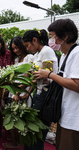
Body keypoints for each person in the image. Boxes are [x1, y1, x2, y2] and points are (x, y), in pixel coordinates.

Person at [34, 19, 79, 150]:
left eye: (52, 36)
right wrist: (49, 79)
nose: (51, 40)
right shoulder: (65, 54)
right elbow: (64, 80)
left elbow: (77, 85)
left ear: (64, 37)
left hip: (74, 118)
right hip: (65, 114)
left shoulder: (76, 54)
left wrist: (49, 75)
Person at [22, 29, 58, 150]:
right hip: (38, 94)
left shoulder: (47, 51)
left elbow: (48, 76)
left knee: (37, 132)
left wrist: (36, 79)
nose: (27, 49)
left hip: (45, 95)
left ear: (35, 40)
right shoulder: (38, 54)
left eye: (27, 45)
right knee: (32, 131)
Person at [2, 36, 34, 149]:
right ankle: (15, 141)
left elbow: (28, 79)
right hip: (14, 91)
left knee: (19, 119)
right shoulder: (17, 59)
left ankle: (16, 143)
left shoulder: (29, 57)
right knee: (11, 117)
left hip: (21, 92)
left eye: (17, 48)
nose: (15, 50)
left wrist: (17, 92)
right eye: (13, 49)